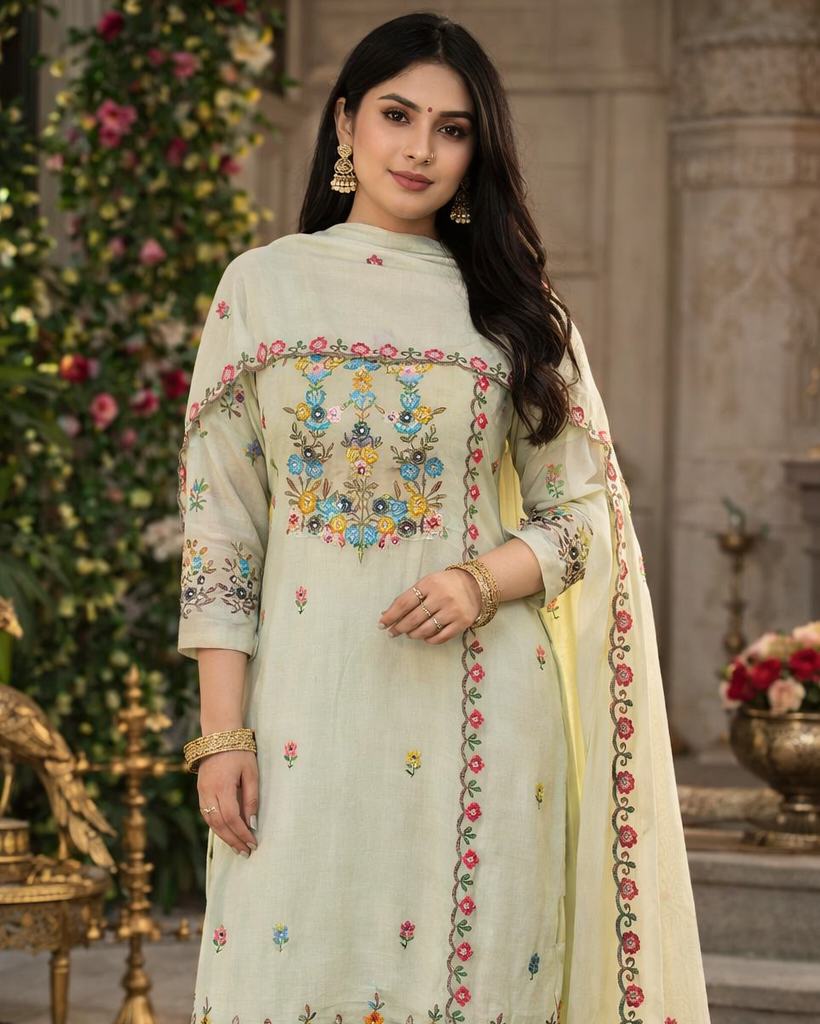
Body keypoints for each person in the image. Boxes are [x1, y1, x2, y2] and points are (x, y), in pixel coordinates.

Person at [178, 12, 710, 1024]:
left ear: (479, 151)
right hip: (304, 721)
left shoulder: (515, 312)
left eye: (453, 129)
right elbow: (222, 529)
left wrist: (479, 579)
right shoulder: (263, 288)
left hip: (486, 721)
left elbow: (587, 516)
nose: (419, 149)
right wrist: (221, 736)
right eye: (396, 115)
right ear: (344, 123)